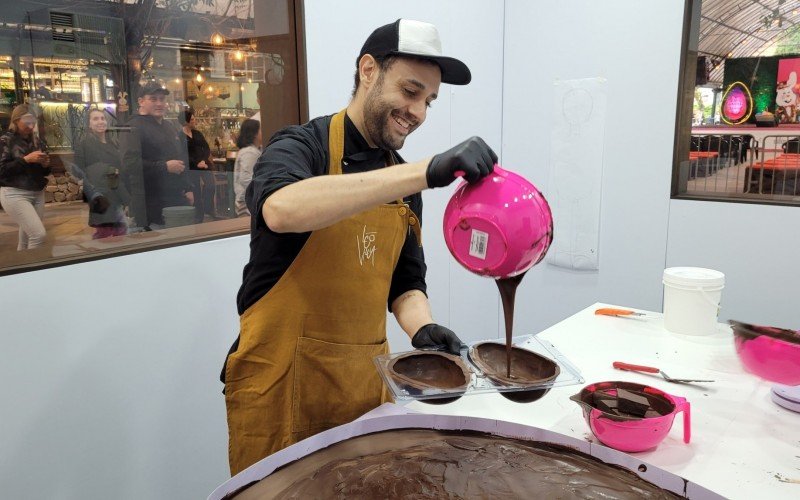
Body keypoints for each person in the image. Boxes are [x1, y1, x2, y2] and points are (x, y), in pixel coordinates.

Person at [223, 19, 497, 474]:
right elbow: (280, 209)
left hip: (360, 391)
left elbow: (405, 282)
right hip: (282, 388)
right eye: (410, 92)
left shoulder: (403, 181)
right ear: (368, 70)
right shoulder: (300, 145)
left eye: (428, 101)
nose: (419, 112)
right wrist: (426, 172)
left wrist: (422, 327)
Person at [121, 82, 193, 229]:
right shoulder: (132, 127)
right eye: (153, 99)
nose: (159, 103)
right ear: (141, 101)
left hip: (174, 199)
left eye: (162, 99)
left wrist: (188, 187)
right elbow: (130, 164)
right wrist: (164, 166)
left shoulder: (169, 126)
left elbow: (180, 158)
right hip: (149, 204)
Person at [72, 108, 130, 238]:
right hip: (101, 198)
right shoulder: (85, 144)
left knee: (119, 233)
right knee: (105, 234)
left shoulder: (113, 143)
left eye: (103, 118)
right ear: (89, 124)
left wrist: (126, 198)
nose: (100, 122)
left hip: (117, 195)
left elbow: (119, 171)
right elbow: (79, 171)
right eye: (95, 119)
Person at [0, 104, 51, 250]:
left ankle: (23, 266)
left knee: (27, 237)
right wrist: (26, 159)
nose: (31, 125)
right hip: (14, 193)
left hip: (37, 192)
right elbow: (2, 171)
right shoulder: (5, 140)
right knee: (38, 234)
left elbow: (45, 172)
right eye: (27, 121)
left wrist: (45, 164)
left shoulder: (37, 141)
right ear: (16, 120)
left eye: (33, 121)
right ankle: (33, 271)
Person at [180, 109, 215, 223]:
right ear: (185, 121)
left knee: (210, 185)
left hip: (204, 165)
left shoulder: (197, 133)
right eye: (192, 120)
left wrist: (204, 160)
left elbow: (206, 148)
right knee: (196, 192)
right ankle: (199, 215)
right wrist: (196, 163)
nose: (194, 121)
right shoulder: (179, 136)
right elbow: (182, 153)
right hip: (191, 167)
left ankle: (208, 208)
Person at [232, 118, 261, 217]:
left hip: (244, 201)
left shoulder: (249, 151)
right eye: (260, 129)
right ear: (255, 134)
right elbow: (246, 179)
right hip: (246, 203)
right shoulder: (250, 152)